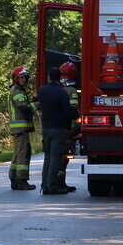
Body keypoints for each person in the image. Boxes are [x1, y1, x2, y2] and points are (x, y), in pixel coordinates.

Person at [37, 66, 77, 194]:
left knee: (47, 157)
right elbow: (67, 112)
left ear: (48, 77)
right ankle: (53, 186)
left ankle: (45, 186)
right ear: (59, 78)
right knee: (55, 157)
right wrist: (67, 127)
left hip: (46, 128)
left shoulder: (41, 91)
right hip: (58, 129)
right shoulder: (62, 93)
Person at [7, 66, 36, 190]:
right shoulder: (17, 91)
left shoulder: (18, 90)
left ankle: (14, 178)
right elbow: (25, 109)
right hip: (20, 129)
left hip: (19, 129)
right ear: (15, 79)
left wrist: (32, 101)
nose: (24, 80)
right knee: (23, 154)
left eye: (25, 77)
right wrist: (37, 104)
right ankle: (22, 180)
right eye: (21, 77)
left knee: (18, 154)